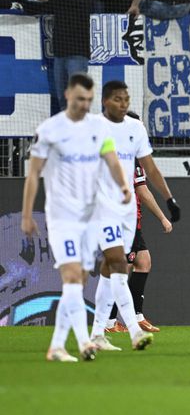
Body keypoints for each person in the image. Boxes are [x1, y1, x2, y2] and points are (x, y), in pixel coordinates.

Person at [21, 73, 131, 362]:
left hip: (88, 217)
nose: (85, 105)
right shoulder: (50, 130)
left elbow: (112, 160)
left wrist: (122, 184)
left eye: (89, 100)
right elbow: (33, 174)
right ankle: (83, 342)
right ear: (68, 95)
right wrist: (26, 214)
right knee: (71, 277)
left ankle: (58, 346)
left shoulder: (97, 127)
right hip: (62, 217)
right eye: (80, 99)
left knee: (78, 280)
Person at [87, 81, 179, 350]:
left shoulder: (136, 128)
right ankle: (135, 330)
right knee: (117, 263)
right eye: (118, 99)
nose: (123, 103)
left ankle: (98, 333)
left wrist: (169, 198)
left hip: (127, 211)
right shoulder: (93, 127)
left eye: (126, 98)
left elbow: (149, 170)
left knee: (110, 268)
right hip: (102, 206)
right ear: (105, 101)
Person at [27, 0, 90, 111]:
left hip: (76, 53)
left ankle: (81, 133)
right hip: (60, 53)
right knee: (63, 100)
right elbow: (44, 6)